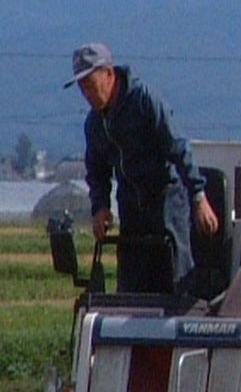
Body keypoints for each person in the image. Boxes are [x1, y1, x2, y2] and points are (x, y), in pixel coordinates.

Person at [68, 42, 219, 300]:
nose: (86, 93)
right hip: (130, 204)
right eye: (81, 87)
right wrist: (100, 206)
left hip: (167, 200)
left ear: (108, 74)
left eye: (89, 84)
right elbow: (97, 170)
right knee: (133, 284)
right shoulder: (94, 123)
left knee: (175, 279)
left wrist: (199, 196)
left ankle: (178, 328)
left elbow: (178, 147)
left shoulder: (144, 100)